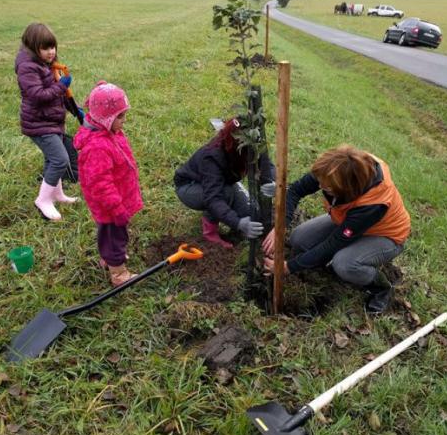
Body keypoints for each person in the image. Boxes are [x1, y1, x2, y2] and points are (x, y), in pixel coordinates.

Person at [262, 145, 411, 313]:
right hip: (347, 221)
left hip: (386, 235)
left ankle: (381, 288)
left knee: (344, 264)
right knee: (299, 239)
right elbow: (296, 190)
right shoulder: (334, 169)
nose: (320, 186)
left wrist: (289, 267)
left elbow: (333, 244)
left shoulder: (372, 204)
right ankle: (327, 258)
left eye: (326, 188)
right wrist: (280, 228)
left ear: (346, 188)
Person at [74, 81, 143, 286]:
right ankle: (118, 273)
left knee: (110, 236)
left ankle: (109, 258)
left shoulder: (110, 134)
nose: (124, 120)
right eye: (119, 116)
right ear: (106, 118)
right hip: (111, 206)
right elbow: (100, 185)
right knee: (115, 237)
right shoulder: (97, 148)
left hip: (118, 199)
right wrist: (116, 208)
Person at [174, 117, 274, 248]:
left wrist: (274, 182)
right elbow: (213, 198)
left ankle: (231, 218)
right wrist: (238, 223)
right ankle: (210, 232)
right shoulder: (212, 157)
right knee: (224, 194)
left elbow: (267, 165)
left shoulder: (253, 144)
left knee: (253, 216)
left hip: (224, 182)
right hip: (191, 186)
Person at [15, 22, 78, 221]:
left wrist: (74, 108)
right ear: (34, 48)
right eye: (46, 48)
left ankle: (57, 194)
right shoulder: (28, 68)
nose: (51, 52)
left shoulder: (45, 64)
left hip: (52, 122)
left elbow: (55, 95)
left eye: (53, 47)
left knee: (52, 160)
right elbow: (38, 95)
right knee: (60, 160)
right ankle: (43, 200)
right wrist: (60, 87)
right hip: (39, 125)